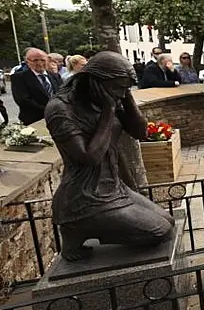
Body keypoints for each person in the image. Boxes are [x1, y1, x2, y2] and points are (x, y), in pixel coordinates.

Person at [44, 51, 176, 261]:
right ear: (94, 82)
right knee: (159, 231)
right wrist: (108, 110)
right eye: (118, 87)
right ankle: (76, 226)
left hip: (114, 187)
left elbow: (140, 133)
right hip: (85, 197)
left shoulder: (111, 96)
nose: (121, 93)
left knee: (168, 221)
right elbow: (89, 157)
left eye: (126, 88)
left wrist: (127, 97)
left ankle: (89, 227)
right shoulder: (61, 109)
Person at [12, 48, 61, 125]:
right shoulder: (19, 78)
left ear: (47, 60)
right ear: (27, 62)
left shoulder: (55, 76)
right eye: (35, 60)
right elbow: (23, 100)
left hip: (57, 118)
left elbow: (62, 94)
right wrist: (48, 110)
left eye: (42, 60)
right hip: (34, 121)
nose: (39, 63)